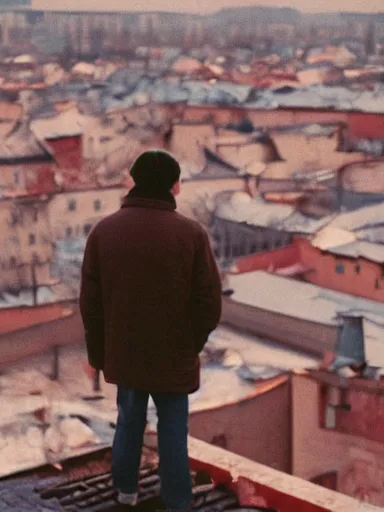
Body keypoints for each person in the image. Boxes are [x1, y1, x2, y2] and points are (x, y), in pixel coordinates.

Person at [79, 149, 222, 511]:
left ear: (135, 182)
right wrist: (192, 344)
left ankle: (125, 492)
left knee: (129, 422)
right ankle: (177, 500)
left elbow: (91, 305)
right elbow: (209, 302)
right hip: (174, 355)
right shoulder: (191, 234)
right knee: (174, 431)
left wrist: (100, 355)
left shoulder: (104, 232)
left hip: (126, 353)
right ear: (174, 187)